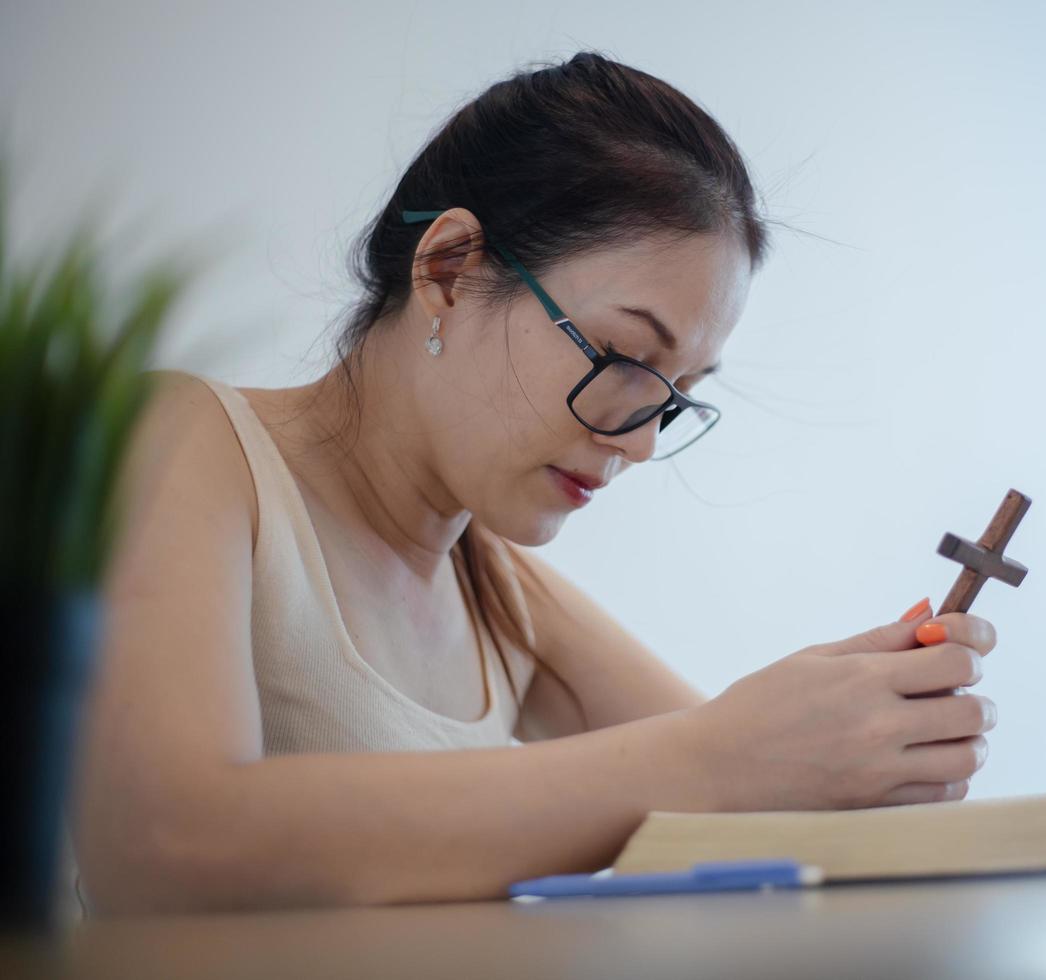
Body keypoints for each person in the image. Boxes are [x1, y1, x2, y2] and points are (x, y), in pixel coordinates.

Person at [66, 50, 997, 915]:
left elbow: (756, 795)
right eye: (625, 356)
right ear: (449, 269)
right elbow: (159, 842)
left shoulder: (494, 580)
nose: (635, 444)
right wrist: (713, 756)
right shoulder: (185, 440)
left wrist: (862, 738)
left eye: (673, 396)